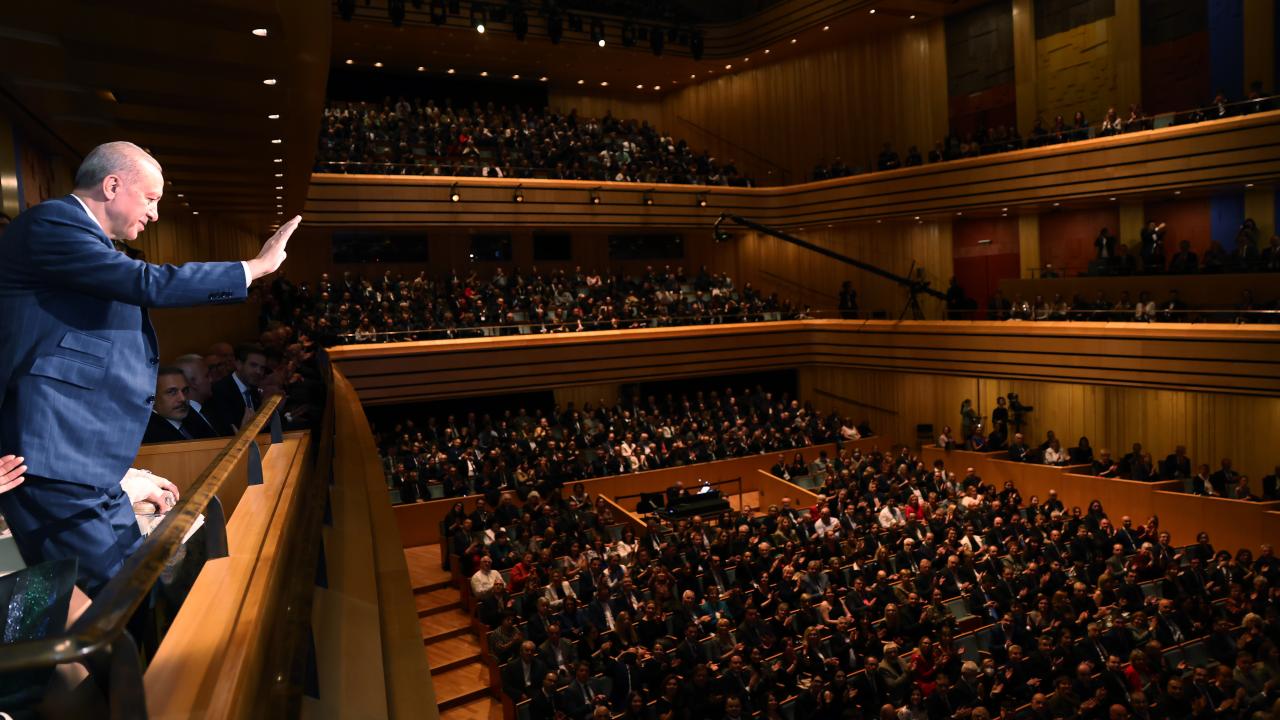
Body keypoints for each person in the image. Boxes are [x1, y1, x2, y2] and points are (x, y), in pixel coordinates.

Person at [0, 141, 298, 597]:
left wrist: (124, 475)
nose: (156, 215)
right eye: (152, 199)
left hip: (87, 459)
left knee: (136, 588)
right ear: (112, 184)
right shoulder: (51, 224)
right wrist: (253, 269)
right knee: (117, 601)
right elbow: (145, 284)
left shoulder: (91, 243)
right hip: (55, 458)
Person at [205, 343, 269, 435]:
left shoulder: (254, 388)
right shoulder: (220, 391)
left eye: (262, 368)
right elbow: (228, 431)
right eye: (253, 365)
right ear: (239, 364)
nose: (259, 372)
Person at [142, 366, 198, 443]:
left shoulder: (192, 416)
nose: (183, 399)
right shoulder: (147, 436)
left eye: (185, 390)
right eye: (172, 392)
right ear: (152, 397)